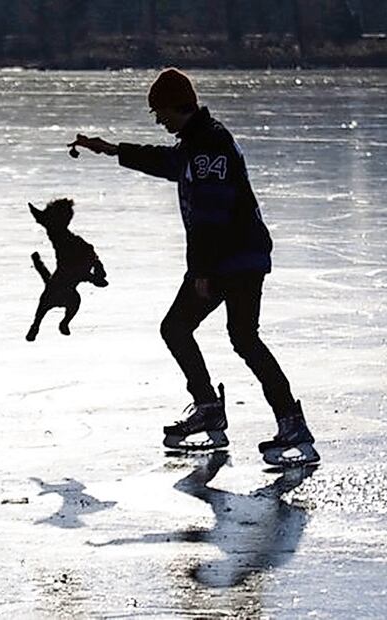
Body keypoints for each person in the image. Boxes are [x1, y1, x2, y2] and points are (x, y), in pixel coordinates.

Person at [68, 68, 319, 466]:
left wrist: (202, 272)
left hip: (235, 260)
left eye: (159, 112)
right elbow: (168, 163)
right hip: (228, 259)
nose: (158, 120)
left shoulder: (210, 145)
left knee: (236, 336)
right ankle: (212, 408)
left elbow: (212, 215)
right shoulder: (196, 142)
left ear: (175, 105)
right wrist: (112, 149)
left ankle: (286, 421)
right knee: (193, 331)